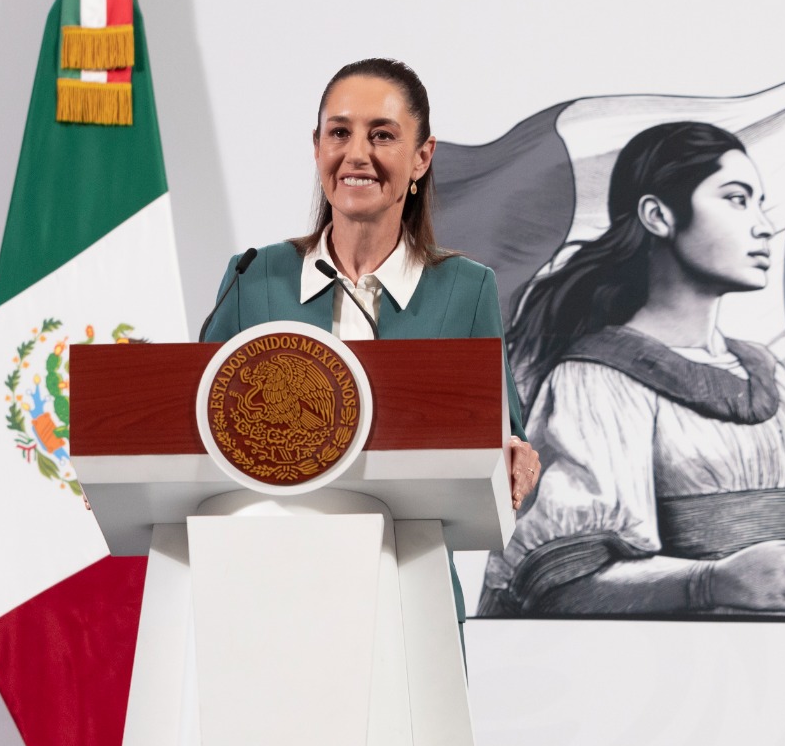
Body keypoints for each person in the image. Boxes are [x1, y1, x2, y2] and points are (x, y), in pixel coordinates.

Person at [480, 121, 785, 616]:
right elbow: (559, 586)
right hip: (668, 663)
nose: (763, 226)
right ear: (657, 215)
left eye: (760, 203)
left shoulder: (768, 377)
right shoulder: (597, 379)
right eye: (736, 199)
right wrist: (711, 583)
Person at [199, 57, 541, 512]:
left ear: (422, 157)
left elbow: (506, 442)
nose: (357, 153)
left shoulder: (467, 289)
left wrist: (517, 457)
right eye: (339, 133)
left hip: (411, 548)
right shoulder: (252, 277)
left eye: (381, 135)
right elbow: (197, 430)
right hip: (274, 545)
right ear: (317, 147)